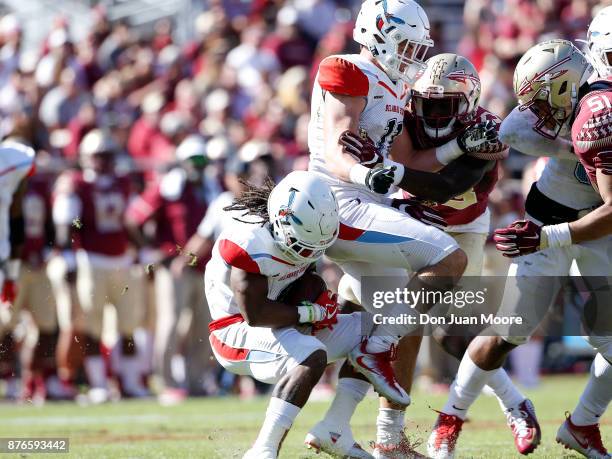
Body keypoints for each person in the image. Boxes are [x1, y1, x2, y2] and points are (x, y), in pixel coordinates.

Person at [305, 0, 505, 452]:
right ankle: (361, 350)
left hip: (371, 200)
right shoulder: (348, 67)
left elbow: (409, 162)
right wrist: (365, 176)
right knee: (447, 260)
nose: (414, 54)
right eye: (408, 44)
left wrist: (458, 147)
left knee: (403, 322)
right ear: (377, 33)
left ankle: (347, 429)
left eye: (420, 46)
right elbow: (339, 149)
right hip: (340, 201)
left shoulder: (396, 84)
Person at [429, 40, 611, 459]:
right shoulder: (577, 113)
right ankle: (450, 418)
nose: (538, 111)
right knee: (508, 332)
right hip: (549, 219)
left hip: (593, 227)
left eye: (543, 101)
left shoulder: (601, 112)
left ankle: (581, 424)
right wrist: (567, 147)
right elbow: (512, 129)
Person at [205, 171, 367, 459]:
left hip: (283, 320)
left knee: (375, 330)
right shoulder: (248, 240)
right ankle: (263, 450)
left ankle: (335, 428)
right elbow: (254, 314)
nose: (307, 253)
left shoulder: (308, 227)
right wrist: (312, 311)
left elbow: (303, 278)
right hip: (234, 331)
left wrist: (319, 301)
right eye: (301, 245)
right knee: (311, 355)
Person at [53, 129, 147, 403]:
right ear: (85, 157)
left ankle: (129, 382)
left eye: (106, 155)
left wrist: (141, 250)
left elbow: (130, 222)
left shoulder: (123, 182)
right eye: (97, 156)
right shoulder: (75, 184)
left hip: (122, 260)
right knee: (92, 327)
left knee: (129, 325)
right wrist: (69, 254)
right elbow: (67, 223)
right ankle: (98, 384)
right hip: (91, 260)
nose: (101, 161)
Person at [125, 134, 210, 397]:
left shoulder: (210, 186)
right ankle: (166, 382)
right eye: (192, 160)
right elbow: (133, 218)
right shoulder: (169, 187)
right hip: (174, 266)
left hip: (205, 266)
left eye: (201, 160)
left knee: (203, 325)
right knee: (170, 322)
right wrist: (151, 250)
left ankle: (196, 381)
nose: (196, 166)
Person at [0, 140, 34, 399]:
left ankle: (9, 379)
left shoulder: (14, 159)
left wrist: (11, 274)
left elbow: (15, 215)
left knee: (7, 324)